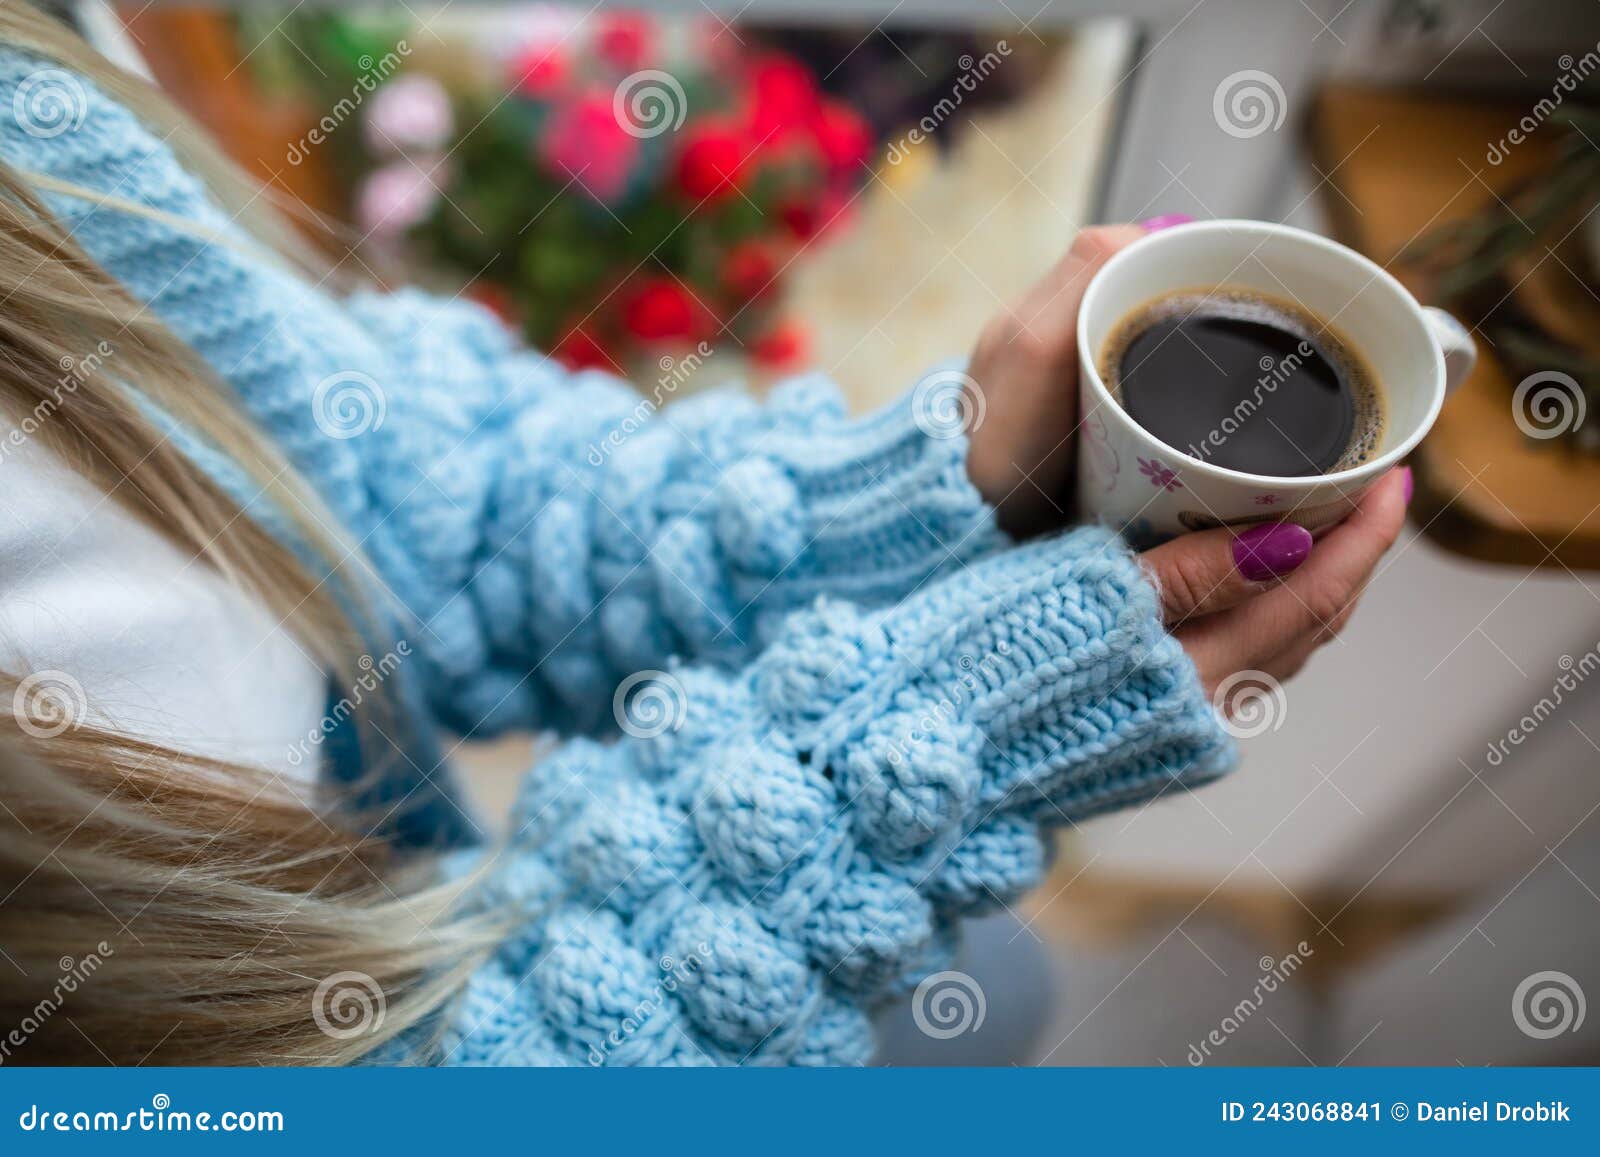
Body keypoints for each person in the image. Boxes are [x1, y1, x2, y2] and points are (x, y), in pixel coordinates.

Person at [0, 3, 1407, 1066]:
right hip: (475, 997)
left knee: (1007, 993)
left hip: (455, 893)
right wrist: (926, 764)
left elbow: (400, 482)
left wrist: (917, 497)